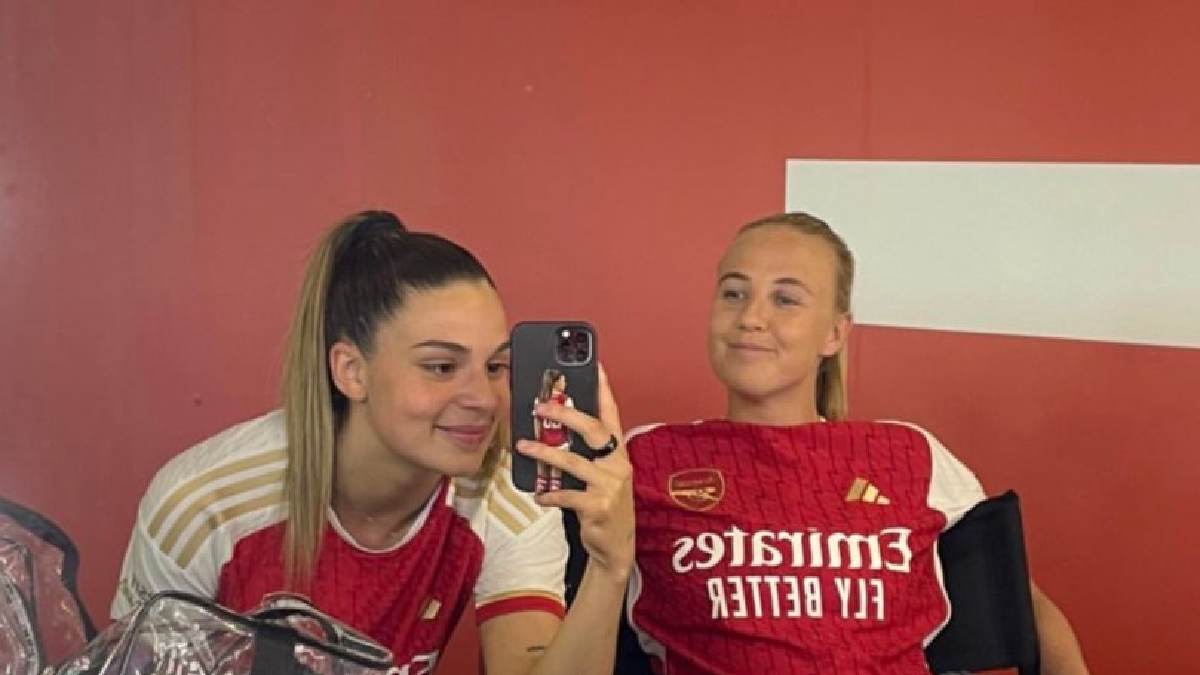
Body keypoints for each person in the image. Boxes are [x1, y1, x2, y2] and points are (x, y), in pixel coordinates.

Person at [111, 211, 635, 675]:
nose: (483, 398)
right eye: (441, 367)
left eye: (495, 366)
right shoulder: (203, 504)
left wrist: (610, 567)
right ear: (351, 371)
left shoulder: (509, 494)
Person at [620, 213, 1090, 674]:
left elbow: (1023, 605)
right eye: (733, 293)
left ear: (834, 333)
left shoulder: (909, 455)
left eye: (785, 299)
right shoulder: (647, 459)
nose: (751, 317)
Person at [533, 370, 572, 493]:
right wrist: (569, 438)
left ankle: (540, 486)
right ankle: (554, 488)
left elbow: (537, 421)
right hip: (560, 441)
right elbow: (569, 422)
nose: (565, 383)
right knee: (556, 470)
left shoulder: (540, 400)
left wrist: (537, 436)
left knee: (542, 469)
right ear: (556, 382)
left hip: (544, 440)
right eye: (563, 381)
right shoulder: (566, 401)